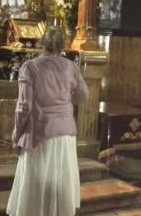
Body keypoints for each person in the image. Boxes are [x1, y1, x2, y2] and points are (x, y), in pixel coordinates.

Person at [7, 26, 89, 216]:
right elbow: (83, 96)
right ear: (63, 45)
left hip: (39, 134)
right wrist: (66, 99)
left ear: (41, 43)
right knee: (60, 180)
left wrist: (16, 135)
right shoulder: (71, 66)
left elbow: (23, 107)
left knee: (36, 185)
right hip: (65, 134)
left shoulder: (30, 67)